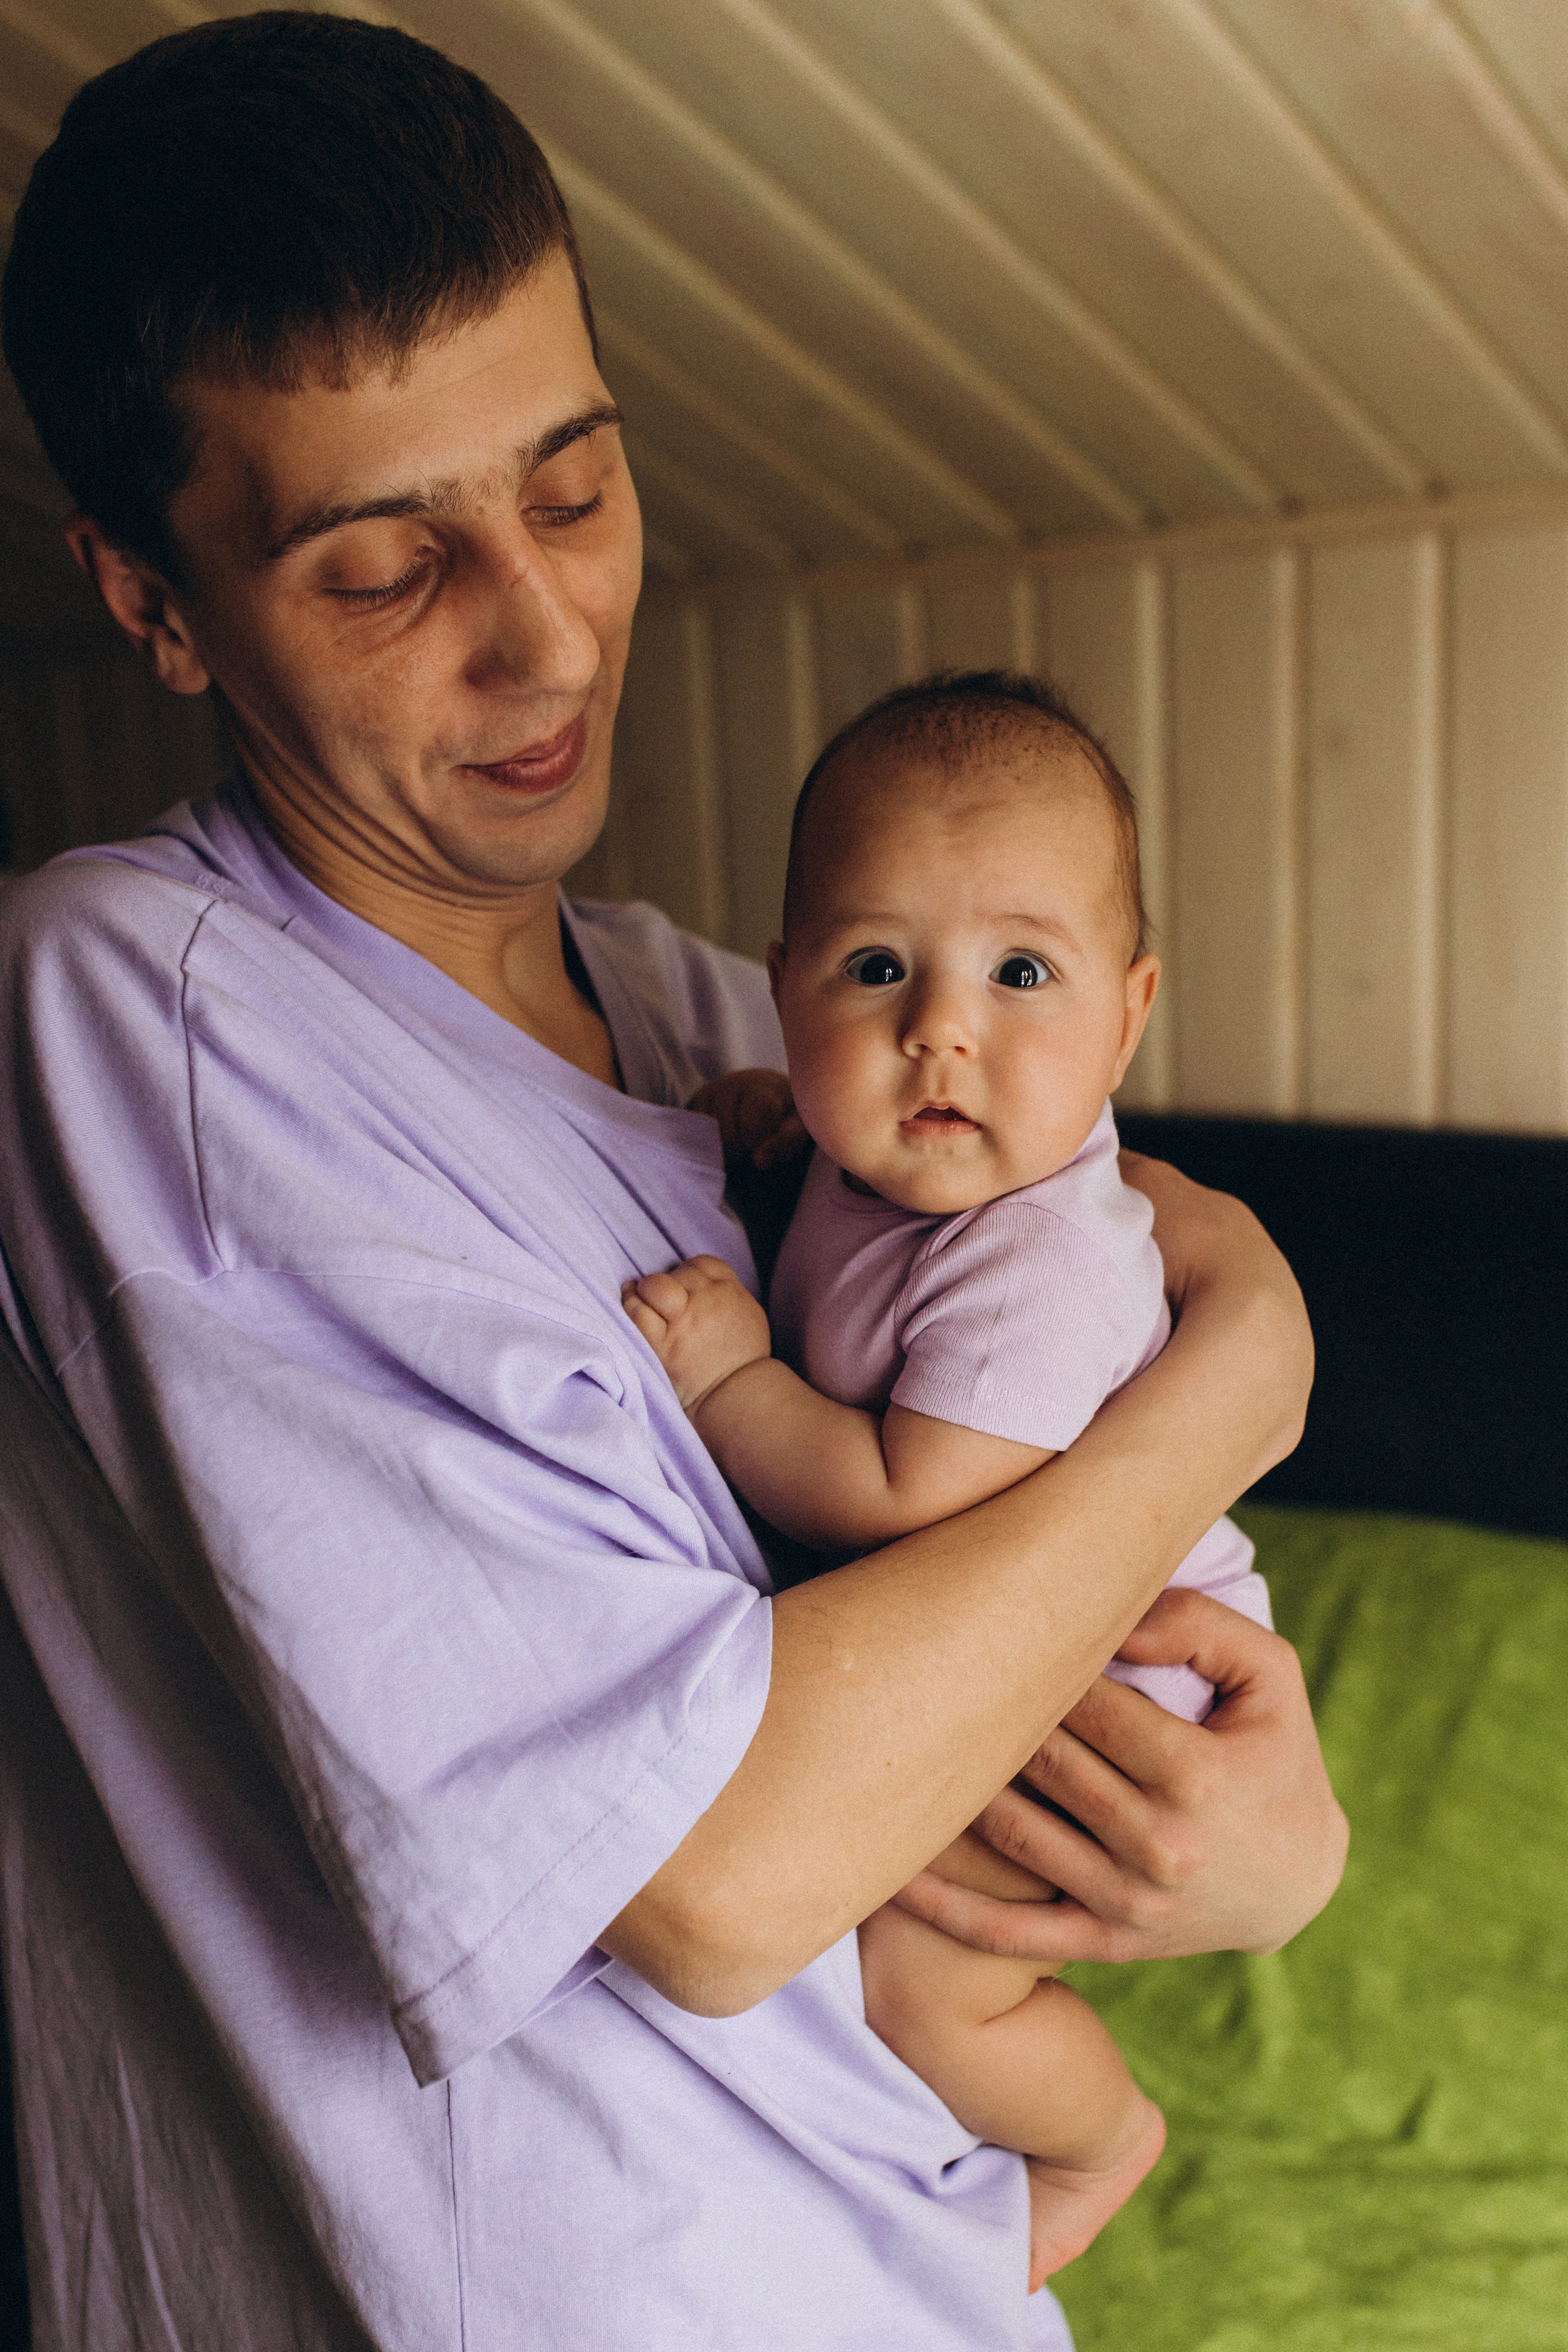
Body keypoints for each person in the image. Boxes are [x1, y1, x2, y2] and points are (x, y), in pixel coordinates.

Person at [0, 14, 1344, 2349]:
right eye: (384, 561)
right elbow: (714, 1882)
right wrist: (1230, 1412)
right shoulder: (135, 1013)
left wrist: (1270, 1844)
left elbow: (1155, 1236)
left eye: (577, 485)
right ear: (151, 597)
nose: (544, 635)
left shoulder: (735, 1011)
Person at [624, 669, 1278, 2287]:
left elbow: (906, 1495)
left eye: (1021, 970)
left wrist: (729, 1384)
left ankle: (1096, 2137)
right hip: (997, 1649)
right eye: (873, 967)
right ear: (782, 995)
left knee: (918, 1983)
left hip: (1111, 1697)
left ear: (1127, 1018)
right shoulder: (880, 1162)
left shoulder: (1041, 1259)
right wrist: (780, 1128)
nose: (941, 1027)